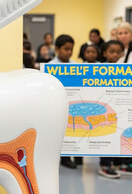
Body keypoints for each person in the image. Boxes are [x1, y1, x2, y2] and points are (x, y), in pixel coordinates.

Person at [97, 40, 132, 178]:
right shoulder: (98, 69)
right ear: (104, 53)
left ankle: (117, 164)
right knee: (106, 136)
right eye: (112, 52)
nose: (116, 55)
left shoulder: (125, 70)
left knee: (118, 137)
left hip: (119, 110)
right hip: (104, 112)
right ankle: (105, 166)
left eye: (119, 52)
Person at [48, 34, 82, 168]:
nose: (69, 52)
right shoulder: (50, 66)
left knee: (76, 129)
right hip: (58, 105)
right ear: (57, 48)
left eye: (71, 49)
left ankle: (78, 154)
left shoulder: (76, 66)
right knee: (62, 130)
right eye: (66, 49)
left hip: (74, 103)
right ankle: (64, 157)